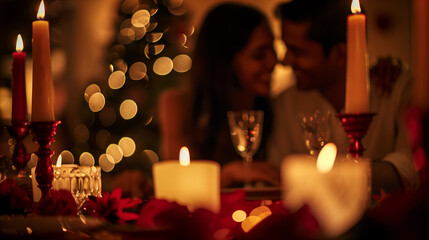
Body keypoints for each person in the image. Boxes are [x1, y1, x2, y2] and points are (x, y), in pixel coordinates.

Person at [268, 0, 419, 194]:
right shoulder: (286, 103)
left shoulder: (397, 90)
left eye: (297, 51)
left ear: (339, 53)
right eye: (285, 48)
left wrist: (347, 176)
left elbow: (412, 166)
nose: (285, 60)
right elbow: (278, 174)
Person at [158, 3, 280, 187]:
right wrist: (227, 175)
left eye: (273, 49)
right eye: (259, 55)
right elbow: (179, 184)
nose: (274, 62)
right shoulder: (180, 106)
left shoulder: (276, 106)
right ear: (225, 61)